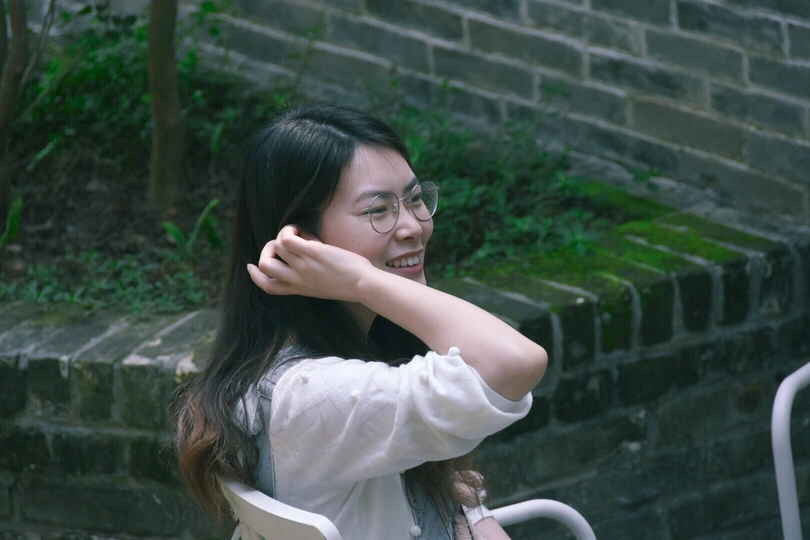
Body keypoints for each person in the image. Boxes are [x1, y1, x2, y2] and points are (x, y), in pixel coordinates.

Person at [174, 104, 548, 540]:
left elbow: (454, 499)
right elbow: (514, 362)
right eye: (378, 210)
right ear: (302, 244)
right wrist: (361, 279)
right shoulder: (311, 395)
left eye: (414, 199)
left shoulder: (360, 344)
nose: (413, 226)